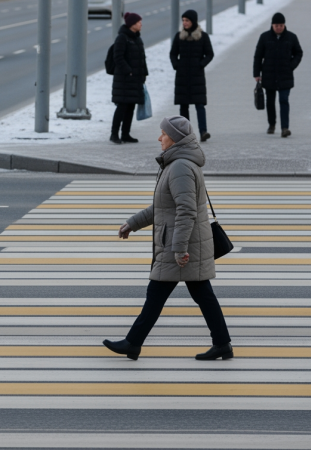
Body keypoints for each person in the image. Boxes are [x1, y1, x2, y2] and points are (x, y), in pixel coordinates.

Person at [103, 115, 232, 361]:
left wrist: (179, 248)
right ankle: (222, 343)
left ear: (174, 138)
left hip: (181, 244)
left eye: (163, 133)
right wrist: (133, 223)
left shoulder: (180, 167)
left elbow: (186, 210)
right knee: (200, 295)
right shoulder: (175, 164)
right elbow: (162, 208)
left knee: (159, 294)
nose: (159, 137)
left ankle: (133, 343)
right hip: (181, 242)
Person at [253, 12, 303, 138]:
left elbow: (298, 53)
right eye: (276, 25)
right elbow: (258, 56)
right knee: (270, 102)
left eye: (281, 25)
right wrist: (256, 73)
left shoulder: (291, 37)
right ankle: (272, 124)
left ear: (284, 25)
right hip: (269, 74)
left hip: (285, 75)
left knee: (284, 100)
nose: (279, 27)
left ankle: (285, 128)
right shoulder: (264, 37)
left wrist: (291, 66)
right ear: (272, 25)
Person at [170, 10, 214, 142]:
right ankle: (185, 134)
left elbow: (210, 54)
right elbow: (173, 54)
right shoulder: (179, 36)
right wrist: (177, 65)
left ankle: (203, 131)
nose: (184, 23)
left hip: (197, 76)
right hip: (182, 76)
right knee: (183, 106)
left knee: (199, 105)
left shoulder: (202, 36)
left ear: (193, 21)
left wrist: (201, 64)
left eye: (187, 20)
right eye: (183, 20)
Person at [110, 12, 148, 145]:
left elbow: (142, 59)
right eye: (138, 22)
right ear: (132, 24)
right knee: (122, 106)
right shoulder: (122, 38)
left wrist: (144, 74)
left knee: (130, 106)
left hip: (136, 78)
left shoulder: (137, 38)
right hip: (124, 79)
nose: (140, 24)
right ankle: (114, 134)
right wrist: (129, 71)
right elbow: (118, 57)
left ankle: (125, 134)